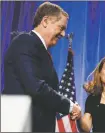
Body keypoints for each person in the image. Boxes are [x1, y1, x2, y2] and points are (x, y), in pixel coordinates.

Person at [3, 2, 81, 132]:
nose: (63, 34)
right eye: (61, 27)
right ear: (45, 21)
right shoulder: (25, 42)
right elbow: (36, 87)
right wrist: (69, 106)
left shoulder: (41, 51)